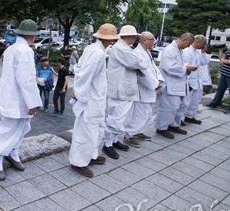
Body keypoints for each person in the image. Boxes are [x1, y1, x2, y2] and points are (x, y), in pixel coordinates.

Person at [0, 19, 43, 181]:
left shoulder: (11, 49)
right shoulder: (25, 51)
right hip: (19, 98)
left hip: (11, 96)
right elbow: (26, 79)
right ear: (32, 37)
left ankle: (13, 153)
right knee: (9, 128)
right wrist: (33, 102)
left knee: (20, 127)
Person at [69, 23, 119, 178]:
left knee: (97, 129)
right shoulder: (96, 53)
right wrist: (79, 94)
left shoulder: (93, 49)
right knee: (87, 131)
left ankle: (91, 155)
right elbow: (85, 75)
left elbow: (79, 69)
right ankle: (78, 161)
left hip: (95, 97)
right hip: (91, 99)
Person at [103, 25, 147, 159]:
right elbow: (138, 62)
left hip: (124, 89)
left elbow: (139, 62)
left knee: (121, 117)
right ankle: (108, 144)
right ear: (128, 36)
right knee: (116, 118)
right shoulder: (120, 48)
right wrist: (140, 62)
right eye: (134, 36)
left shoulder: (125, 48)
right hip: (120, 89)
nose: (135, 39)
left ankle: (115, 141)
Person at [154, 33, 196, 139]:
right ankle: (161, 127)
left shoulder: (180, 51)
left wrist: (187, 67)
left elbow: (182, 64)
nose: (188, 46)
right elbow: (169, 67)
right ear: (183, 40)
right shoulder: (169, 50)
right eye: (188, 44)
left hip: (181, 84)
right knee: (169, 107)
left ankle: (174, 124)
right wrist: (186, 68)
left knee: (182, 105)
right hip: (171, 84)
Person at [124, 32, 162, 146]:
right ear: (144, 40)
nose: (153, 41)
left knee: (147, 113)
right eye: (152, 39)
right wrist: (154, 84)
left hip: (150, 88)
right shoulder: (138, 54)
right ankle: (129, 134)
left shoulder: (147, 52)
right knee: (139, 113)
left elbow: (153, 68)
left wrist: (159, 79)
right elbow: (143, 71)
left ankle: (139, 131)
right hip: (142, 88)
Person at [182, 35, 210, 124]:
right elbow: (185, 66)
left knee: (195, 100)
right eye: (203, 43)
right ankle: (178, 119)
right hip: (190, 79)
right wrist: (188, 81)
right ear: (197, 42)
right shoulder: (187, 51)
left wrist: (204, 52)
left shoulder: (198, 52)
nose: (204, 45)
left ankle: (190, 116)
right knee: (185, 101)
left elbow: (204, 62)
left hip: (197, 80)